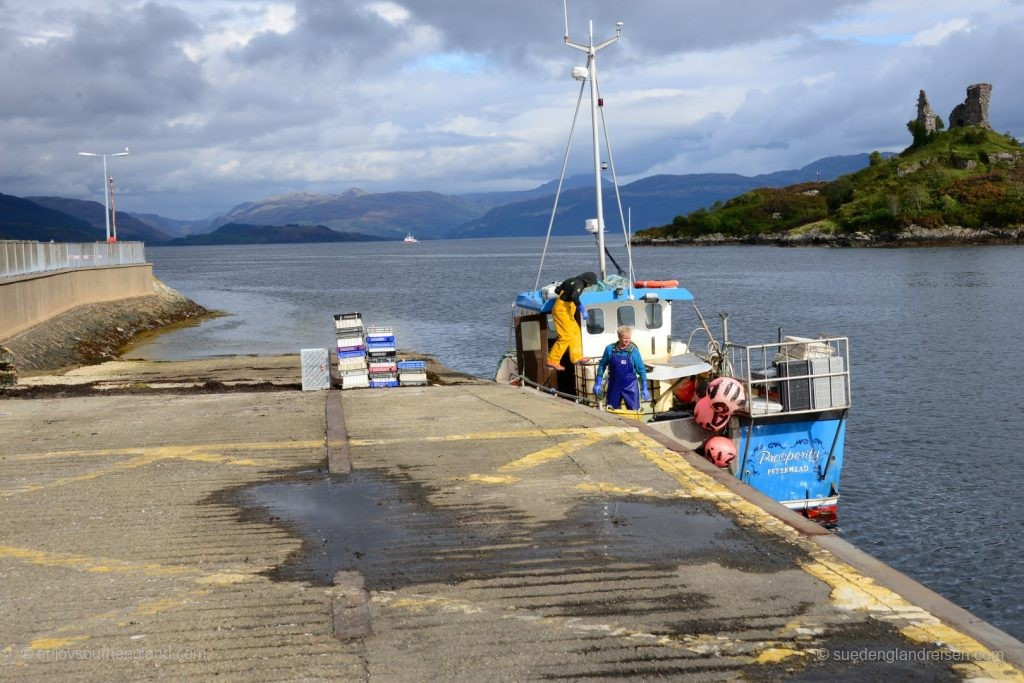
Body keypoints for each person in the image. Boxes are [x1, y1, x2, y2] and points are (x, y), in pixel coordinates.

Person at [545, 271, 598, 371]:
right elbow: (574, 296)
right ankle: (553, 360)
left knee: (575, 332)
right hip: (562, 311)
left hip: (565, 310)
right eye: (590, 284)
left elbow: (557, 290)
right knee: (565, 336)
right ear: (588, 282)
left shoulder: (570, 280)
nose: (589, 286)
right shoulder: (580, 284)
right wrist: (582, 308)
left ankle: (576, 357)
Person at [594, 325, 651, 410]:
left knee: (634, 411)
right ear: (619, 337)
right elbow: (602, 365)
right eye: (625, 338)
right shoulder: (610, 349)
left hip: (630, 386)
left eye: (629, 338)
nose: (627, 340)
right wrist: (598, 383)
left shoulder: (634, 351)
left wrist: (645, 387)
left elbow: (641, 370)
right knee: (611, 410)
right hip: (614, 385)